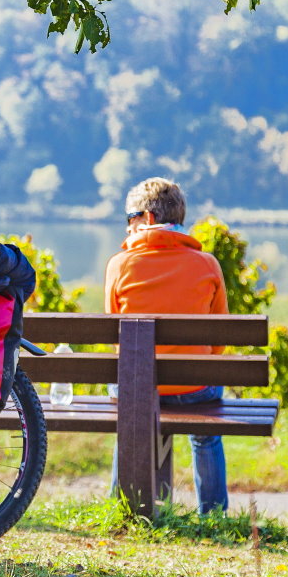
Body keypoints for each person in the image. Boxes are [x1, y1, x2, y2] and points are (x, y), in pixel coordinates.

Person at [105, 177, 229, 514]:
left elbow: (119, 342)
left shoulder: (119, 265)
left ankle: (124, 508)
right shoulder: (207, 265)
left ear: (146, 218)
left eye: (129, 218)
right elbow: (219, 343)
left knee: (129, 401)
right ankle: (214, 514)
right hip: (195, 389)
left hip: (138, 391)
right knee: (206, 435)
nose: (127, 227)